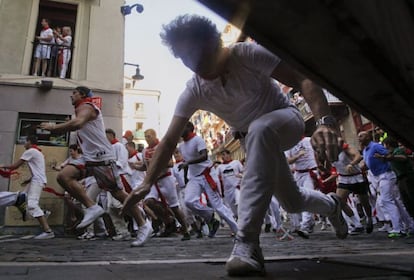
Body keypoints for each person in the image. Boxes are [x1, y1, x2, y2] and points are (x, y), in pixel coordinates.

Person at [122, 15, 346, 276]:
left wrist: (325, 121)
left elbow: (303, 78)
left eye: (200, 54)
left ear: (216, 43)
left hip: (287, 120)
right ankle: (332, 205)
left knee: (260, 128)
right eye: (187, 59)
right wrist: (147, 182)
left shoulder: (247, 54)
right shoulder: (194, 90)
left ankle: (247, 242)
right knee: (292, 202)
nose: (196, 64)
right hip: (256, 141)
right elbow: (169, 140)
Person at [39, 86, 151, 247]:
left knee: (118, 193)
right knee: (63, 176)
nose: (71, 96)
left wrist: (54, 127)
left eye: (74, 93)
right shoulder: (81, 108)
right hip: (89, 158)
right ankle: (92, 207)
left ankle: (143, 224)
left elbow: (77, 123)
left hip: (102, 158)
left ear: (82, 95)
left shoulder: (88, 107)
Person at [177, 122, 238, 237]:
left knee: (218, 206)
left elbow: (204, 155)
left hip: (207, 174)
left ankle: (238, 231)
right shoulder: (181, 146)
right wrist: (186, 179)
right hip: (194, 177)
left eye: (182, 126)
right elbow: (186, 163)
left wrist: (188, 163)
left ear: (190, 128)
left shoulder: (197, 140)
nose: (179, 129)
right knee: (189, 201)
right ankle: (211, 218)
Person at [0, 135, 54, 239]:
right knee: (22, 199)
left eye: (25, 142)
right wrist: (29, 180)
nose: (24, 144)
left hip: (37, 181)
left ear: (29, 142)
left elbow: (14, 166)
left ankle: (48, 231)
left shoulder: (31, 151)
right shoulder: (37, 152)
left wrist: (2, 166)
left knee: (32, 205)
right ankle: (43, 213)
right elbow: (38, 170)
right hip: (36, 180)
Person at [331, 139, 373, 234]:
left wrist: (351, 164)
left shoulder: (345, 148)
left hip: (356, 177)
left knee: (364, 202)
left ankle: (369, 219)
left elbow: (358, 156)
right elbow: (329, 166)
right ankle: (357, 224)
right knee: (339, 202)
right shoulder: (328, 152)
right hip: (344, 179)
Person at [381, 137, 414, 218]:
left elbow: (403, 158)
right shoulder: (391, 154)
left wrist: (391, 158)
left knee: (411, 198)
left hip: (407, 177)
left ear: (388, 145)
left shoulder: (397, 151)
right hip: (400, 179)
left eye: (384, 145)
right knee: (407, 202)